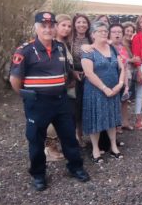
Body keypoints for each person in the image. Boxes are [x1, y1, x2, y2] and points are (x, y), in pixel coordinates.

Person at [9, 12, 90, 191]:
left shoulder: (60, 48)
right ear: (36, 27)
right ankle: (38, 175)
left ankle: (75, 167)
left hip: (60, 101)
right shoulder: (25, 50)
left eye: (50, 25)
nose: (47, 29)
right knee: (36, 140)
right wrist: (25, 94)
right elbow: (15, 79)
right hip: (37, 103)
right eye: (43, 25)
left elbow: (66, 69)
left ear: (54, 27)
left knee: (69, 137)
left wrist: (69, 77)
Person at [82, 22, 125, 163]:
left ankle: (113, 146)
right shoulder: (88, 51)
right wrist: (104, 88)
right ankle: (95, 149)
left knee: (112, 119)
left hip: (113, 90)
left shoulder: (112, 48)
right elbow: (88, 73)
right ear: (93, 34)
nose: (103, 33)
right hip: (96, 91)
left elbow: (122, 67)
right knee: (96, 119)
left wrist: (120, 84)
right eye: (99, 31)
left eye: (105, 31)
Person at [41, 14, 74, 162]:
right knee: (50, 119)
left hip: (65, 86)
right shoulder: (50, 43)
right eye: (63, 25)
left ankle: (57, 146)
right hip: (52, 88)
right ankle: (49, 149)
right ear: (56, 26)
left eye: (68, 26)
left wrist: (74, 73)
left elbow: (66, 65)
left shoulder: (63, 44)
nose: (66, 29)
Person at [70, 14, 92, 146]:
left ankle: (83, 134)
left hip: (90, 77)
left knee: (86, 106)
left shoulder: (91, 39)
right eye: (79, 22)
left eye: (84, 22)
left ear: (88, 25)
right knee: (75, 107)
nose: (82, 24)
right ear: (74, 24)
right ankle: (76, 136)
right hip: (75, 77)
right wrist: (73, 72)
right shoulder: (69, 41)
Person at [110, 23, 132, 134]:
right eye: (114, 32)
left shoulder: (123, 48)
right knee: (114, 104)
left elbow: (126, 67)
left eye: (119, 32)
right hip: (111, 80)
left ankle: (124, 122)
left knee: (124, 101)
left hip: (123, 78)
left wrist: (126, 85)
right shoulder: (107, 47)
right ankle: (115, 125)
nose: (117, 34)